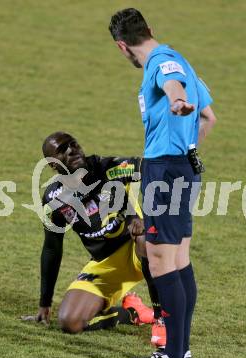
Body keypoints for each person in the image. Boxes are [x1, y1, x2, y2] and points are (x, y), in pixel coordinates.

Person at [109, 8, 217, 358]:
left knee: (160, 262)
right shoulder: (180, 59)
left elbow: (175, 89)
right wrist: (188, 149)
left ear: (122, 46)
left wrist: (174, 101)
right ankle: (179, 353)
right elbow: (208, 117)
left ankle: (173, 356)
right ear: (150, 29)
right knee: (179, 260)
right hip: (182, 167)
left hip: (165, 170)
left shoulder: (161, 64)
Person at [21, 131, 155, 333]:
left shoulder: (106, 167)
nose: (71, 150)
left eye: (73, 144)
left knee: (146, 238)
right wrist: (44, 303)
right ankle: (132, 313)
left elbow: (153, 170)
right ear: (52, 164)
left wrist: (144, 216)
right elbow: (52, 248)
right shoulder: (54, 200)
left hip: (140, 250)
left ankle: (163, 319)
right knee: (69, 322)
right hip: (106, 264)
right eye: (62, 150)